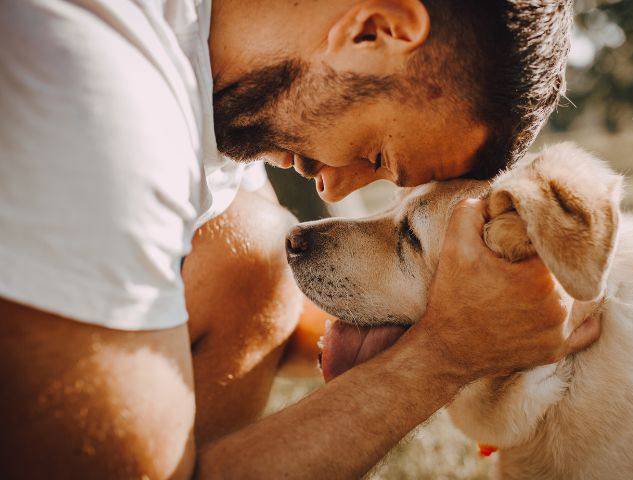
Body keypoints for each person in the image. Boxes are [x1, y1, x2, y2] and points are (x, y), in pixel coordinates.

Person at [0, 0, 598, 478]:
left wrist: (478, 319)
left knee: (250, 250)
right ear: (375, 29)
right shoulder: (95, 92)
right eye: (377, 153)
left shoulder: (213, 66)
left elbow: (261, 300)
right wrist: (445, 357)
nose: (334, 190)